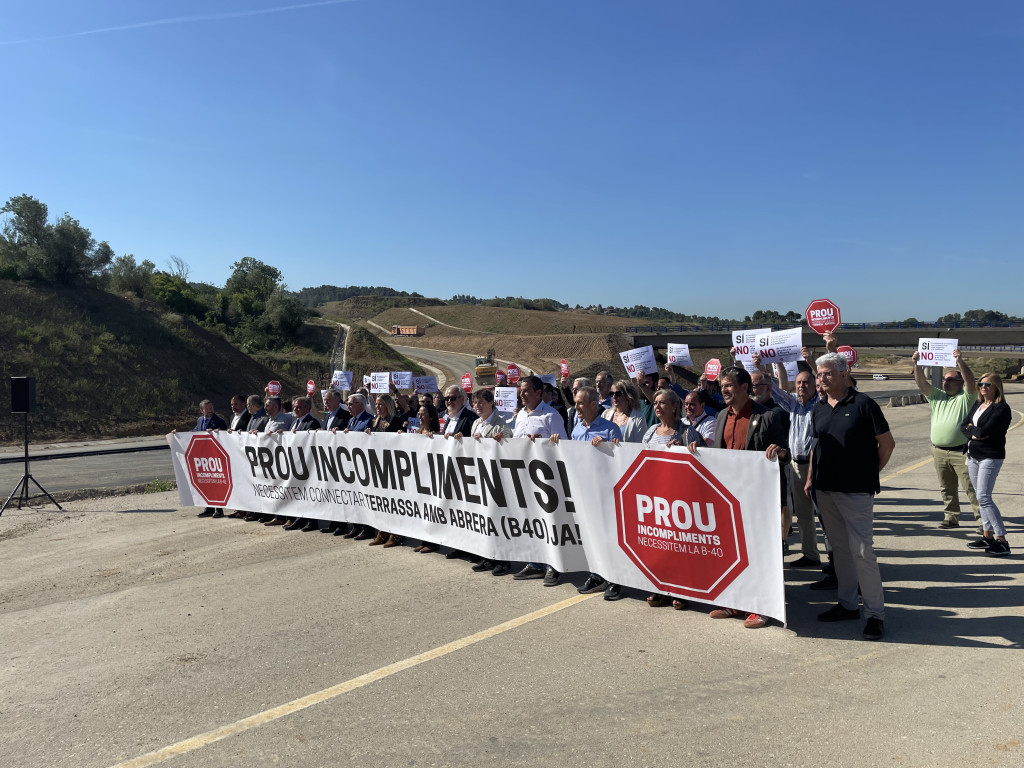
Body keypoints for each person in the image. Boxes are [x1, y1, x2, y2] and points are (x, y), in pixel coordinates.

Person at [687, 366, 789, 629]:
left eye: (729, 385)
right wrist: (700, 449)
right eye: (722, 387)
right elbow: (720, 453)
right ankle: (736, 601)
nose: (724, 390)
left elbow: (785, 455)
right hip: (729, 498)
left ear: (745, 387)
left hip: (757, 499)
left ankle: (761, 607)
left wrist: (779, 452)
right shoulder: (721, 415)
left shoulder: (768, 416)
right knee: (734, 551)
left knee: (758, 553)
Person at [808, 352, 895, 642]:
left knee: (861, 552)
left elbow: (887, 443)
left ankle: (875, 615)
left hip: (855, 492)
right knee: (840, 550)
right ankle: (847, 605)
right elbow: (815, 447)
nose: (821, 379)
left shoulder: (864, 404)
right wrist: (811, 478)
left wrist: (869, 472)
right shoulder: (818, 408)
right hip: (825, 490)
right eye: (819, 374)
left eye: (827, 374)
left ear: (844, 374)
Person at [560, 386, 623, 598]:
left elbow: (621, 460)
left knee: (609, 536)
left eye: (579, 403)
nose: (575, 406)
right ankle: (597, 574)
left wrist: (608, 446)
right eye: (575, 402)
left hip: (605, 493)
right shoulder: (577, 429)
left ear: (594, 405)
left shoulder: (610, 429)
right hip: (583, 490)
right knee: (591, 535)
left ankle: (616, 579)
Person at [764, 365, 826, 569]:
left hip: (817, 466)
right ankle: (811, 555)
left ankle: (836, 561)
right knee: (804, 514)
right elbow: (775, 390)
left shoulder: (821, 404)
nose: (801, 386)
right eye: (798, 382)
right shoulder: (794, 404)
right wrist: (762, 369)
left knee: (825, 515)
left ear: (815, 385)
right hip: (796, 466)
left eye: (806, 382)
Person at [912, 348, 980, 529]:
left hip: (961, 452)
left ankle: (983, 521)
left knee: (971, 488)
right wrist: (916, 364)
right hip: (939, 451)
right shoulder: (937, 397)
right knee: (946, 488)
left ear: (960, 383)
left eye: (951, 380)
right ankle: (951, 517)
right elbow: (921, 384)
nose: (946, 382)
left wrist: (960, 362)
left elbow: (971, 382)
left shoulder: (967, 398)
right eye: (944, 379)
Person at [511, 376, 568, 584]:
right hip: (524, 476)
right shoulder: (519, 417)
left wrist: (545, 444)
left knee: (550, 523)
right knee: (531, 521)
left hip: (547, 479)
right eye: (521, 391)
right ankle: (535, 563)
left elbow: (563, 447)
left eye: (526, 391)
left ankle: (553, 565)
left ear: (538, 393)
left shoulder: (551, 416)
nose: (522, 394)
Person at [962, 373, 1012, 556]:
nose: (983, 387)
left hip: (990, 456)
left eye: (987, 384)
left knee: (984, 497)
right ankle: (987, 536)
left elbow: (985, 431)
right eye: (981, 384)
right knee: (979, 497)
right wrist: (972, 433)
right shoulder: (978, 404)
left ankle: (1002, 540)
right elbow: (963, 425)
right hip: (973, 455)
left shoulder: (1002, 408)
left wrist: (973, 432)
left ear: (996, 387)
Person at [467, 389, 515, 576]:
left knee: (498, 519)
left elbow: (510, 442)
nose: (477, 406)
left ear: (491, 403)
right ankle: (488, 556)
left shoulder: (501, 424)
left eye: (481, 402)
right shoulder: (475, 423)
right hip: (480, 475)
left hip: (497, 477)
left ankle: (503, 560)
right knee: (485, 518)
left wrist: (500, 439)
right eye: (475, 402)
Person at [366, 394, 406, 547]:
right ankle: (382, 531)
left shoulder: (395, 421)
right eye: (376, 404)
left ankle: (395, 534)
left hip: (392, 466)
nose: (377, 407)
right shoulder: (376, 421)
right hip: (378, 465)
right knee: (381, 501)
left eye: (380, 404)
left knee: (393, 501)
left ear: (388, 406)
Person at [283, 396, 323, 532]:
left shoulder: (312, 422)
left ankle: (311, 522)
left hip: (307, 463)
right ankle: (299, 518)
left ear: (307, 407)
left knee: (308, 493)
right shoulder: (294, 422)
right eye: (294, 406)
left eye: (298, 406)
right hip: (295, 462)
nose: (295, 408)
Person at [412, 401, 443, 553]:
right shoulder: (418, 432)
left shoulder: (435, 433)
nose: (420, 416)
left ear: (431, 417)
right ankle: (424, 540)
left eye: (423, 414)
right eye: (419, 414)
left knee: (431, 511)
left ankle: (433, 543)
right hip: (420, 477)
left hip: (431, 477)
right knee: (422, 510)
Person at [192, 400, 228, 518]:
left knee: (217, 482)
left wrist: (213, 433)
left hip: (215, 457)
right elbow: (195, 431)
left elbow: (224, 437)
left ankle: (219, 509)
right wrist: (179, 435)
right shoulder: (199, 420)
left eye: (211, 408)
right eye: (207, 409)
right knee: (207, 482)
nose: (210, 410)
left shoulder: (219, 421)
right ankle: (209, 507)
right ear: (202, 410)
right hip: (204, 457)